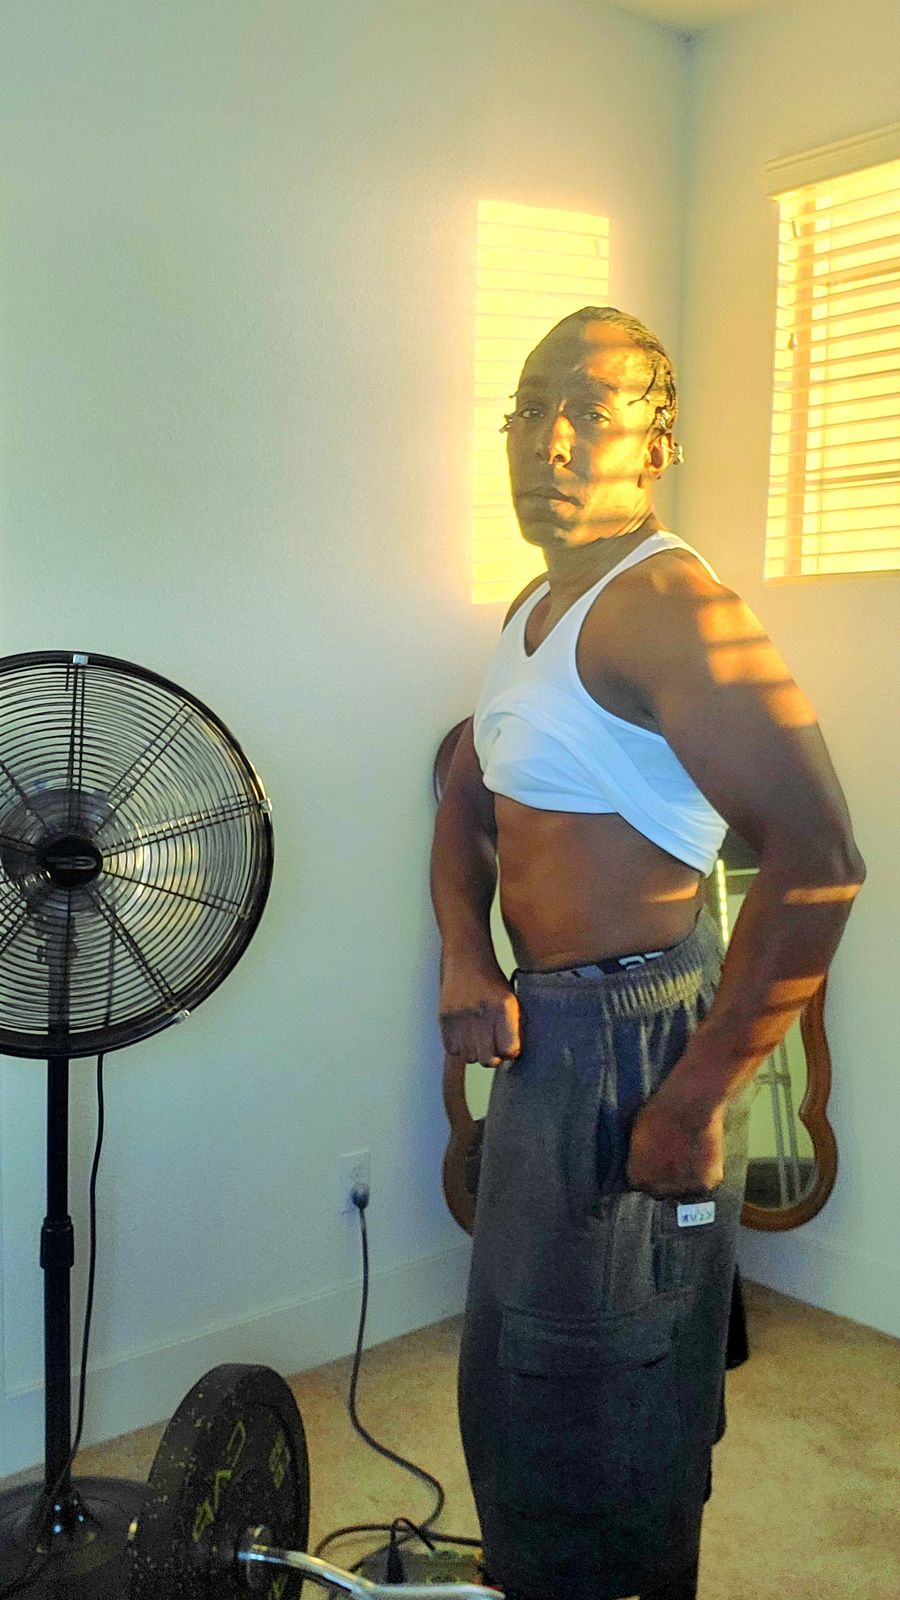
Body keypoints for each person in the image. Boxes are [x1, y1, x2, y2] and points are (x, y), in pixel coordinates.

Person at [429, 307, 865, 1600]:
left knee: (617, 1374)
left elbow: (821, 860)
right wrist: (465, 956)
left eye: (591, 409)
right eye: (530, 407)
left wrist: (696, 1096)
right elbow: (467, 795)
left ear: (655, 444)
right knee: (523, 1370)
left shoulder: (673, 608)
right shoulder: (535, 607)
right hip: (543, 1036)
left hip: (637, 1038)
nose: (551, 439)